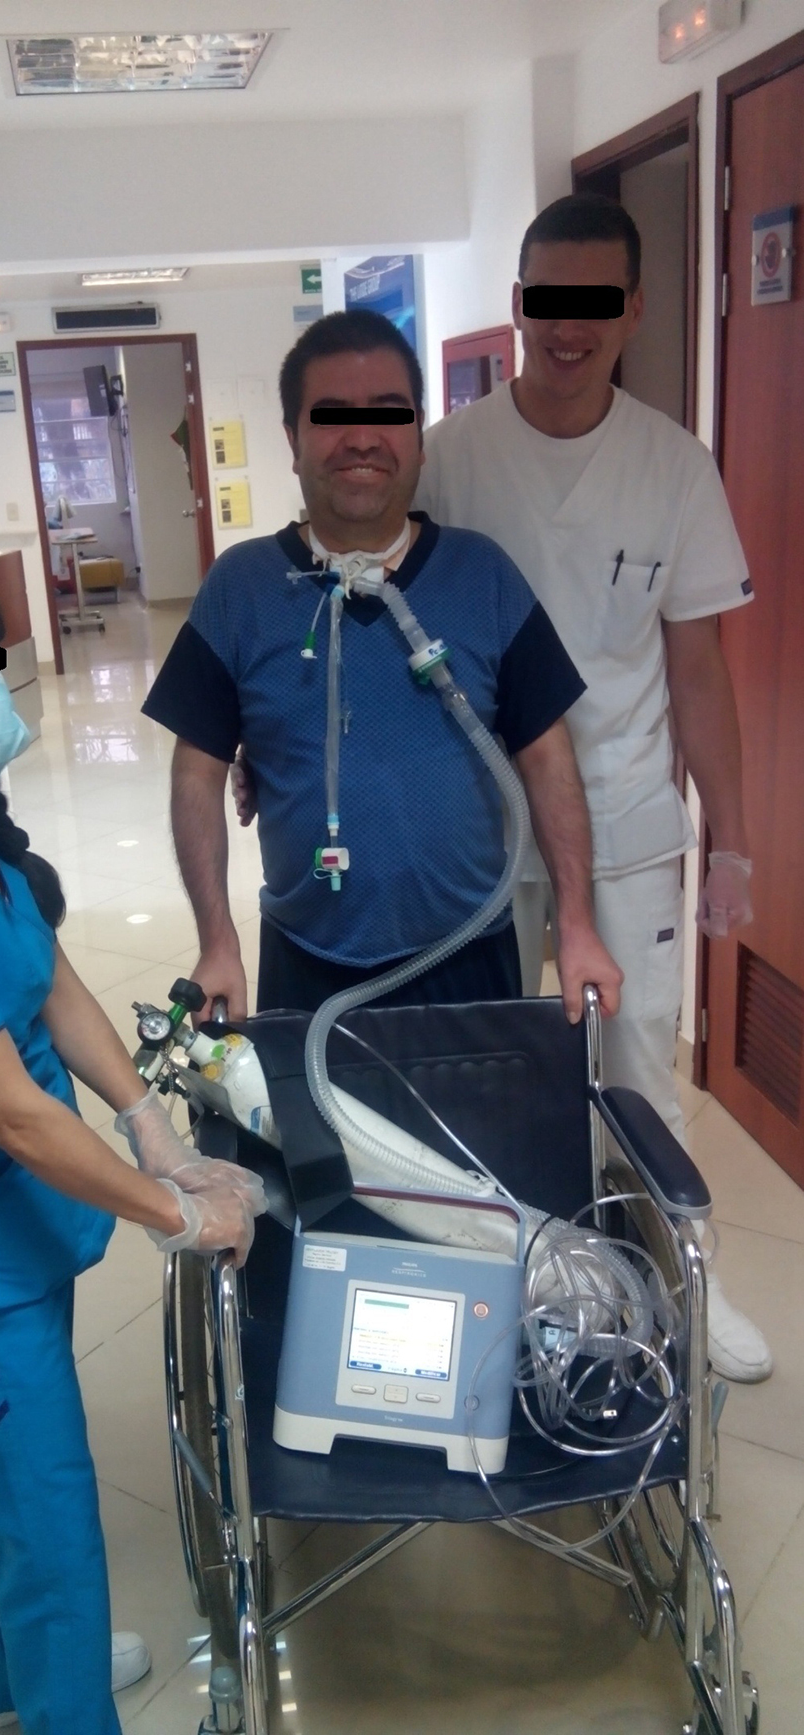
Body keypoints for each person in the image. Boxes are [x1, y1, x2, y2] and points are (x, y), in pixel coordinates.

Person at [0, 561, 265, 1735]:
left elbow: (51, 979)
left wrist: (146, 1122)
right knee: (48, 1528)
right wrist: (178, 1212)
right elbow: (12, 1113)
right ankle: (58, 1701)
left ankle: (0, 1693)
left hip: (0, 1235)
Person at [415, 192, 771, 1384]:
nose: (569, 329)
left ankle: (682, 1277)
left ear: (632, 310)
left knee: (639, 1066)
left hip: (623, 820)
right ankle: (528, 1285)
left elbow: (698, 669)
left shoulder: (673, 466)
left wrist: (731, 841)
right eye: (549, 302)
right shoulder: (449, 459)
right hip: (478, 828)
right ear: (519, 306)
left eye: (596, 302)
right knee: (493, 1066)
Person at [143, 309, 622, 1028]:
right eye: (332, 415)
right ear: (292, 439)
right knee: (310, 1109)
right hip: (306, 960)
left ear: (418, 438)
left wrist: (577, 925)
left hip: (468, 954)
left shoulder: (482, 575)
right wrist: (217, 941)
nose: (362, 437)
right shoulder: (241, 589)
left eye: (388, 414)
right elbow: (196, 771)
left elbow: (548, 756)